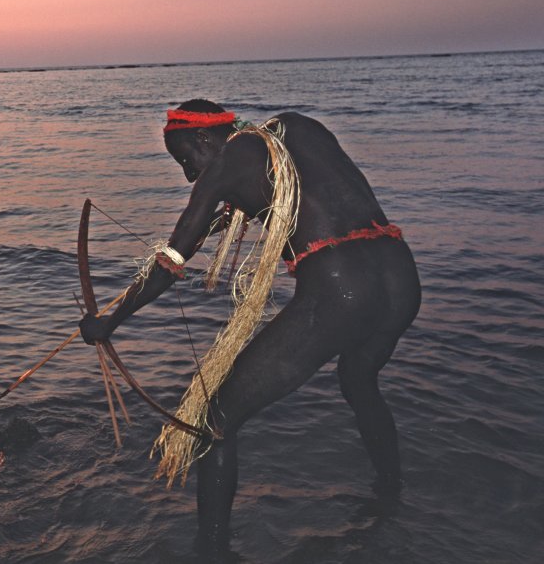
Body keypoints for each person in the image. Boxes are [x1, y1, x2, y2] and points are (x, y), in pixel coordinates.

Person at [79, 99, 421, 557]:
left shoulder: (222, 165)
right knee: (359, 381)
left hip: (343, 290)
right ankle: (392, 499)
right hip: (401, 279)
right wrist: (224, 213)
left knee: (215, 421)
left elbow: (170, 263)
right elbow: (301, 193)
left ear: (205, 139)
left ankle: (212, 550)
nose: (189, 175)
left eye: (185, 160)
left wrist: (109, 322)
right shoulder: (297, 128)